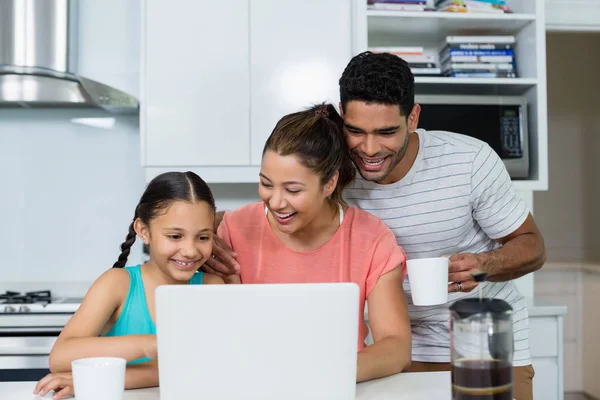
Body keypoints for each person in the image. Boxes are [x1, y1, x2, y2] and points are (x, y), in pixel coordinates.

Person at [208, 52, 546, 400]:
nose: (369, 149)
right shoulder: (335, 168)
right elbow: (270, 206)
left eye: (386, 132)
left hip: (482, 339)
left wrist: (484, 266)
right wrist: (206, 236)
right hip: (403, 346)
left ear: (412, 118)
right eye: (356, 131)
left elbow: (532, 245)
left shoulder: (469, 161)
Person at [215, 103, 412, 382]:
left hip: (338, 389)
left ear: (330, 183)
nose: (276, 202)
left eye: (293, 189)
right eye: (266, 184)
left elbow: (396, 347)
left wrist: (322, 376)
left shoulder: (371, 239)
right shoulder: (235, 229)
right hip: (251, 384)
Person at [34, 171, 224, 399]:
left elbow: (202, 368)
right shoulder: (117, 284)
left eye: (203, 237)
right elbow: (60, 357)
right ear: (144, 231)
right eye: (175, 236)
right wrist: (151, 345)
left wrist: (99, 377)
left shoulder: (212, 288)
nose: (190, 250)